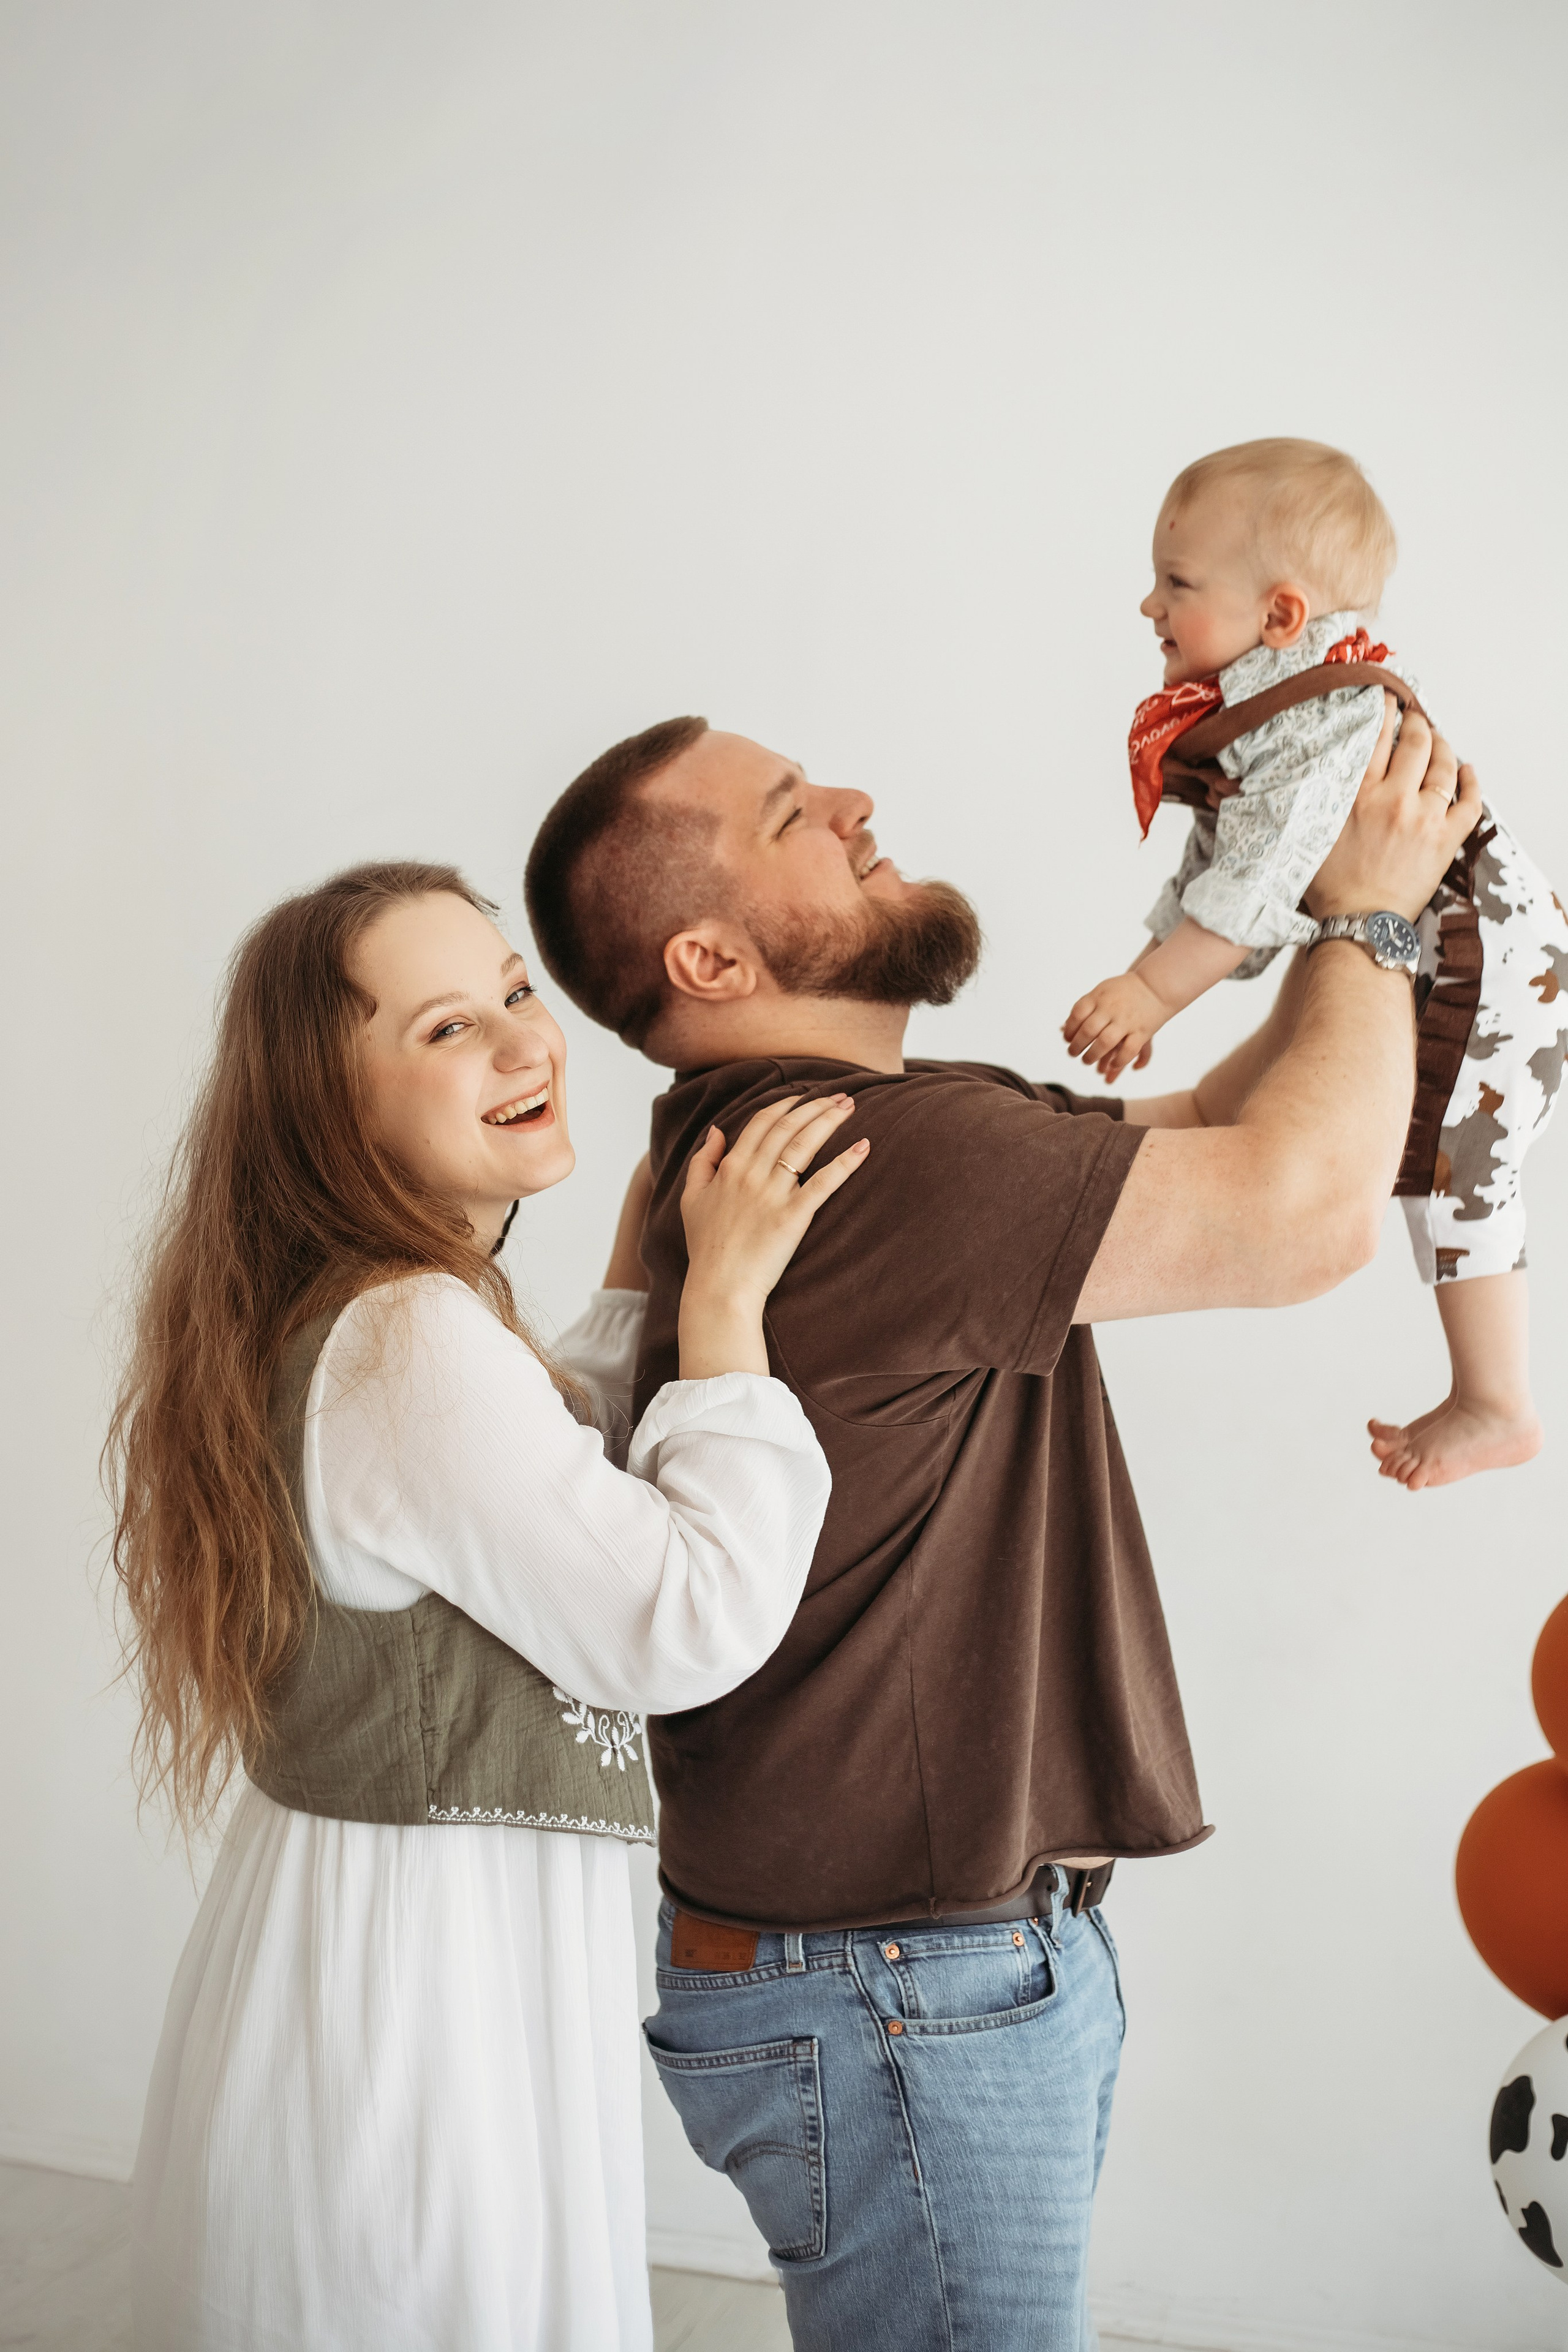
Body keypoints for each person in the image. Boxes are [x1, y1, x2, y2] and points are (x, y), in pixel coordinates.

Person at [522, 704, 1478, 2351]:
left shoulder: (839, 1131)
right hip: (899, 1996)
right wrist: (1365, 918)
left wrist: (1302, 896)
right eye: (789, 811)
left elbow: (1238, 1123)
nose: (855, 798)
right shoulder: (878, 1161)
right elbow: (1304, 1211)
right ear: (714, 955)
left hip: (908, 1981)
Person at [110, 859, 869, 2352]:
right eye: (448, 1028)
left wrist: (644, 1273)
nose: (530, 1043)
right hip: (413, 2015)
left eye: (516, 992)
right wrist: (717, 1319)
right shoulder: (405, 1339)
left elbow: (520, 1460)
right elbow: (679, 1618)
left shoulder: (384, 1316)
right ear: (333, 1106)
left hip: (375, 1968)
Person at [1064, 437, 1568, 1489]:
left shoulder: (1328, 713)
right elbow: (1229, 865)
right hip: (1454, 939)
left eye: (1176, 582)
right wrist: (1150, 970)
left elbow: (1260, 886)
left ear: (1282, 614)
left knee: (1460, 1165)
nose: (1148, 607)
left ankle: (1498, 1401)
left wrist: (1153, 990)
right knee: (1425, 1150)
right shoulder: (1279, 698)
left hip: (1499, 954)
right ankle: (1494, 1394)